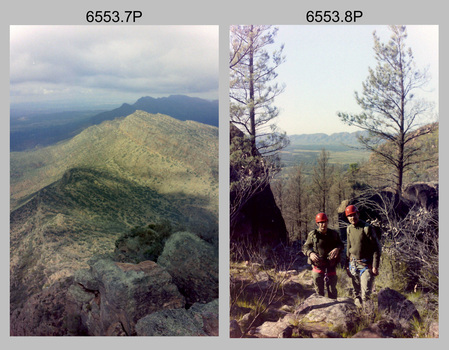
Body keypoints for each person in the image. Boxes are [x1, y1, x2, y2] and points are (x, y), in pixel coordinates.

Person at [344, 204, 382, 306]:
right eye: (350, 216)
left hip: (366, 265)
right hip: (353, 264)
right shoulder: (349, 229)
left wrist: (375, 266)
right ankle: (358, 316)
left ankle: (369, 318)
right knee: (356, 294)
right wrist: (347, 265)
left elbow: (376, 248)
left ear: (358, 214)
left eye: (354, 214)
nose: (352, 218)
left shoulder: (367, 228)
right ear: (347, 218)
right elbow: (348, 247)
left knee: (366, 295)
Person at [303, 212, 344, 299]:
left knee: (332, 291)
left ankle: (333, 309)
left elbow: (341, 244)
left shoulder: (334, 234)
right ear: (317, 223)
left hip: (331, 266)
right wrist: (310, 253)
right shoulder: (313, 235)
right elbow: (305, 247)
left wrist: (337, 249)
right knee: (319, 292)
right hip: (318, 266)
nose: (323, 224)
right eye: (321, 222)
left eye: (325, 222)